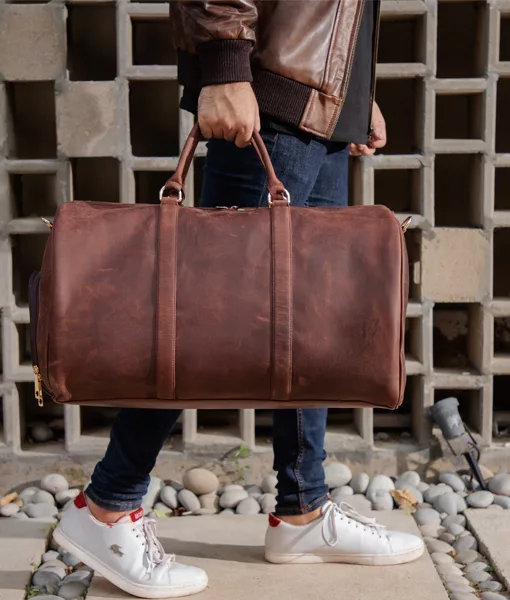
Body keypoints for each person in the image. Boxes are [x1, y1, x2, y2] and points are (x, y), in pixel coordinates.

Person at [53, 1, 424, 598]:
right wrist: (226, 66)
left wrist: (352, 91)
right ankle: (105, 507)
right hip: (269, 90)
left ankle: (303, 510)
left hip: (318, 100)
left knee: (306, 317)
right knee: (203, 314)